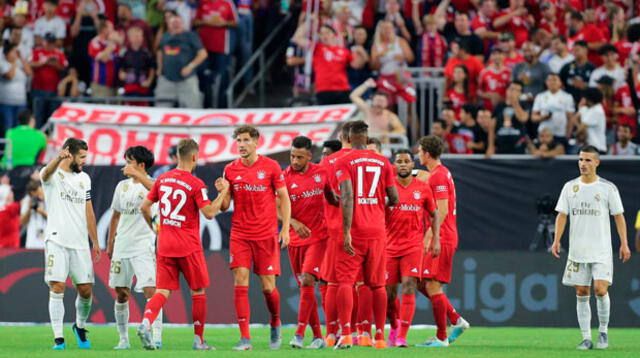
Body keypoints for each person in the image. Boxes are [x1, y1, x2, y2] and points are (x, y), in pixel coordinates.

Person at [137, 138, 229, 350]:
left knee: (162, 291)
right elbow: (209, 213)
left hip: (165, 243)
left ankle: (145, 323)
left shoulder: (162, 179)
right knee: (198, 292)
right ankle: (199, 341)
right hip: (188, 246)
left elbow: (144, 207)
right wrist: (224, 192)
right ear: (194, 157)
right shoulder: (196, 184)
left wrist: (155, 228)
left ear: (178, 156)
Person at [550, 145, 631, 350]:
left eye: (587, 160)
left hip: (601, 249)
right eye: (580, 159)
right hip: (578, 250)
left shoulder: (607, 188)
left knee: (600, 289)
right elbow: (562, 215)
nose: (583, 164)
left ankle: (603, 331)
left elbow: (618, 216)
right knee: (581, 291)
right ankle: (586, 338)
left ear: (597, 162)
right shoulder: (570, 187)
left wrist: (624, 243)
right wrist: (556, 239)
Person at [219, 125, 291, 351]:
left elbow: (284, 198)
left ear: (256, 141)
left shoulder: (270, 167)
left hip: (265, 235)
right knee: (240, 281)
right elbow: (223, 207)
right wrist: (222, 190)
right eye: (238, 141)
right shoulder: (230, 169)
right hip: (240, 234)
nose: (241, 145)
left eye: (245, 140)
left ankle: (275, 321)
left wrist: (286, 228)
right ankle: (245, 338)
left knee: (268, 288)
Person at [334, 120, 399, 349]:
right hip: (377, 231)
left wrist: (346, 231)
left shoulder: (343, 161)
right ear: (367, 136)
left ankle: (346, 335)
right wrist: (377, 206)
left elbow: (348, 197)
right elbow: (395, 198)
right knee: (377, 285)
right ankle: (379, 337)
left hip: (356, 230)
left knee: (345, 282)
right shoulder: (383, 162)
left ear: (349, 138)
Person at [40, 138, 100, 350]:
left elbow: (89, 210)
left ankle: (80, 327)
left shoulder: (84, 178)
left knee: (85, 290)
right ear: (70, 154)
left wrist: (95, 240)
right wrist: (58, 158)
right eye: (82, 157)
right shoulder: (52, 174)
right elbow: (45, 173)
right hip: (57, 240)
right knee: (57, 286)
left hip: (80, 243)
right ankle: (59, 339)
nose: (85, 161)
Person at [416, 135, 470, 348]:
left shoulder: (438, 176)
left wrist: (430, 236)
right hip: (442, 235)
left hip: (442, 237)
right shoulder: (438, 174)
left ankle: (441, 337)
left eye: (420, 151)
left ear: (427, 154)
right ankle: (456, 320)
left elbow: (443, 209)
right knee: (420, 281)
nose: (418, 154)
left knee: (431, 284)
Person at [285, 136, 336, 350]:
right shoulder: (284, 177)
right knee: (305, 287)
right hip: (295, 239)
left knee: (307, 281)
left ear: (309, 155)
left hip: (319, 238)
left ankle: (298, 333)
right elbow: (276, 208)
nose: (294, 161)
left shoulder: (322, 173)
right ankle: (317, 336)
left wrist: (349, 206)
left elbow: (332, 197)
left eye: (299, 157)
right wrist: (294, 222)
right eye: (292, 156)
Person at [107, 146, 161, 350]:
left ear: (141, 164)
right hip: (122, 245)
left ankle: (156, 336)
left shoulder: (154, 184)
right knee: (121, 293)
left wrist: (138, 175)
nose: (125, 165)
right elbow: (115, 215)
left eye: (129, 161)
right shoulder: (122, 186)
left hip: (143, 245)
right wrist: (111, 242)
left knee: (151, 290)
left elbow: (158, 195)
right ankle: (123, 339)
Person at [385, 149, 439, 348]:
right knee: (389, 294)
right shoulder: (387, 188)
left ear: (413, 164)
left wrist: (436, 239)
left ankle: (402, 337)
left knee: (409, 285)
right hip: (389, 248)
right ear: (394, 165)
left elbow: (434, 214)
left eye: (406, 161)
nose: (402, 164)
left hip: (413, 247)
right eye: (398, 161)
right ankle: (394, 325)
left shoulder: (422, 188)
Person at [319, 122, 353, 347]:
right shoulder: (370, 160)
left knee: (332, 282)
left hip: (330, 230)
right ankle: (364, 332)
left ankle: (332, 332)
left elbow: (321, 193)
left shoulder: (327, 165)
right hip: (360, 229)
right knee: (359, 284)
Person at [293, 24, 365, 105]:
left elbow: (357, 65)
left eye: (327, 32)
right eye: (322, 33)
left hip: (343, 89)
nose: (324, 36)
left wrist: (362, 54)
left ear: (334, 35)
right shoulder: (316, 47)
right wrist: (308, 22)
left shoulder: (344, 51)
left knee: (345, 117)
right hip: (323, 90)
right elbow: (297, 39)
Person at [155, 15, 208, 108]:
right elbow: (160, 51)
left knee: (193, 109)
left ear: (183, 24)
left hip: (186, 80)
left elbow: (203, 54)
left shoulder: (190, 36)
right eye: (173, 23)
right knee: (161, 108)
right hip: (167, 80)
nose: (175, 25)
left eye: (178, 23)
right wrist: (160, 67)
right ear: (168, 25)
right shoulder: (165, 36)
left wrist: (190, 66)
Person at [193, 0, 238, 108]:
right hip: (204, 48)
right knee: (203, 76)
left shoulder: (227, 3)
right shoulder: (203, 3)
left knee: (221, 78)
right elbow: (195, 22)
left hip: (221, 47)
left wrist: (223, 23)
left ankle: (222, 106)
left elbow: (235, 22)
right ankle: (205, 106)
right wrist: (207, 21)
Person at [370, 20, 415, 105]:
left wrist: (403, 57)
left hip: (401, 76)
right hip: (385, 77)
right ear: (380, 30)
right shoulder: (376, 45)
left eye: (390, 28)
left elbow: (411, 58)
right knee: (387, 104)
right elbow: (373, 67)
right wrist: (378, 56)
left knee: (407, 104)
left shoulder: (400, 41)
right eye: (385, 28)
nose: (388, 30)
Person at [350, 78, 406, 142]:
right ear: (372, 101)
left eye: (382, 101)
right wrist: (366, 85)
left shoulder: (389, 115)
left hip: (382, 147)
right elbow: (353, 96)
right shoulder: (366, 110)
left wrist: (388, 134)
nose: (379, 103)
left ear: (387, 103)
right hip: (366, 145)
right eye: (377, 100)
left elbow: (401, 130)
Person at [30, 33, 67, 124]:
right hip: (38, 88)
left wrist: (55, 64)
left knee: (53, 116)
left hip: (54, 90)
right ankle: (38, 136)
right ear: (43, 41)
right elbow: (30, 64)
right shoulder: (36, 52)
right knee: (38, 115)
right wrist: (45, 62)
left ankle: (51, 136)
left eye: (52, 42)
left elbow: (64, 68)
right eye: (48, 41)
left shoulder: (59, 53)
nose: (50, 44)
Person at [486, 81, 529, 156]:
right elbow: (491, 127)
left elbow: (522, 118)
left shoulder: (524, 105)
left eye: (517, 90)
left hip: (518, 145)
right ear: (507, 90)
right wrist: (490, 146)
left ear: (520, 93)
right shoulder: (499, 106)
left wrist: (515, 102)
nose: (513, 92)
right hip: (501, 144)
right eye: (511, 89)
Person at [532, 73, 575, 145]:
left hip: (560, 133)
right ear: (546, 82)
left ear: (560, 82)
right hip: (544, 134)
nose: (552, 82)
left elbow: (570, 118)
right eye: (549, 80)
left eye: (554, 80)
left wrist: (568, 134)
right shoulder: (540, 96)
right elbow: (533, 117)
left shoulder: (567, 97)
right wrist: (543, 117)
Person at [0, 42, 32, 132]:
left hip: (21, 102)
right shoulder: (2, 64)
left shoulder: (20, 64)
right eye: (13, 51)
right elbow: (10, 76)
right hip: (6, 103)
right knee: (8, 128)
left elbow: (29, 73)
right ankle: (6, 146)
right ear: (6, 53)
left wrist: (21, 58)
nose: (15, 54)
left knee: (21, 128)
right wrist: (14, 62)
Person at [118, 27, 156, 102]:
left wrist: (149, 80)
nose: (138, 39)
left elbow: (152, 67)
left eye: (140, 36)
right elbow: (120, 67)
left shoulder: (146, 53)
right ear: (130, 38)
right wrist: (121, 74)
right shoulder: (125, 52)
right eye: (135, 36)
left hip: (142, 87)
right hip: (129, 87)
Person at [88, 19, 121, 98]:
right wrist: (112, 42)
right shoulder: (95, 43)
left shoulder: (115, 43)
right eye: (111, 28)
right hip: (101, 85)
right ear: (104, 29)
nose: (113, 31)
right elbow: (104, 59)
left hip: (115, 84)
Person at [576, 87, 607, 154]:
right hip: (589, 149)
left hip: (597, 149)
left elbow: (581, 128)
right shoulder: (589, 109)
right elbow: (575, 118)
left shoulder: (596, 110)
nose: (583, 99)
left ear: (590, 100)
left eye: (585, 98)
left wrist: (578, 133)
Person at [20, 179, 47, 249]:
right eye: (35, 195)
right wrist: (29, 208)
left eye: (39, 193)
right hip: (32, 243)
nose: (38, 197)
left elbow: (55, 221)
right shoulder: (27, 200)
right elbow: (22, 222)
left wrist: (42, 212)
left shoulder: (48, 199)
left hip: (46, 243)